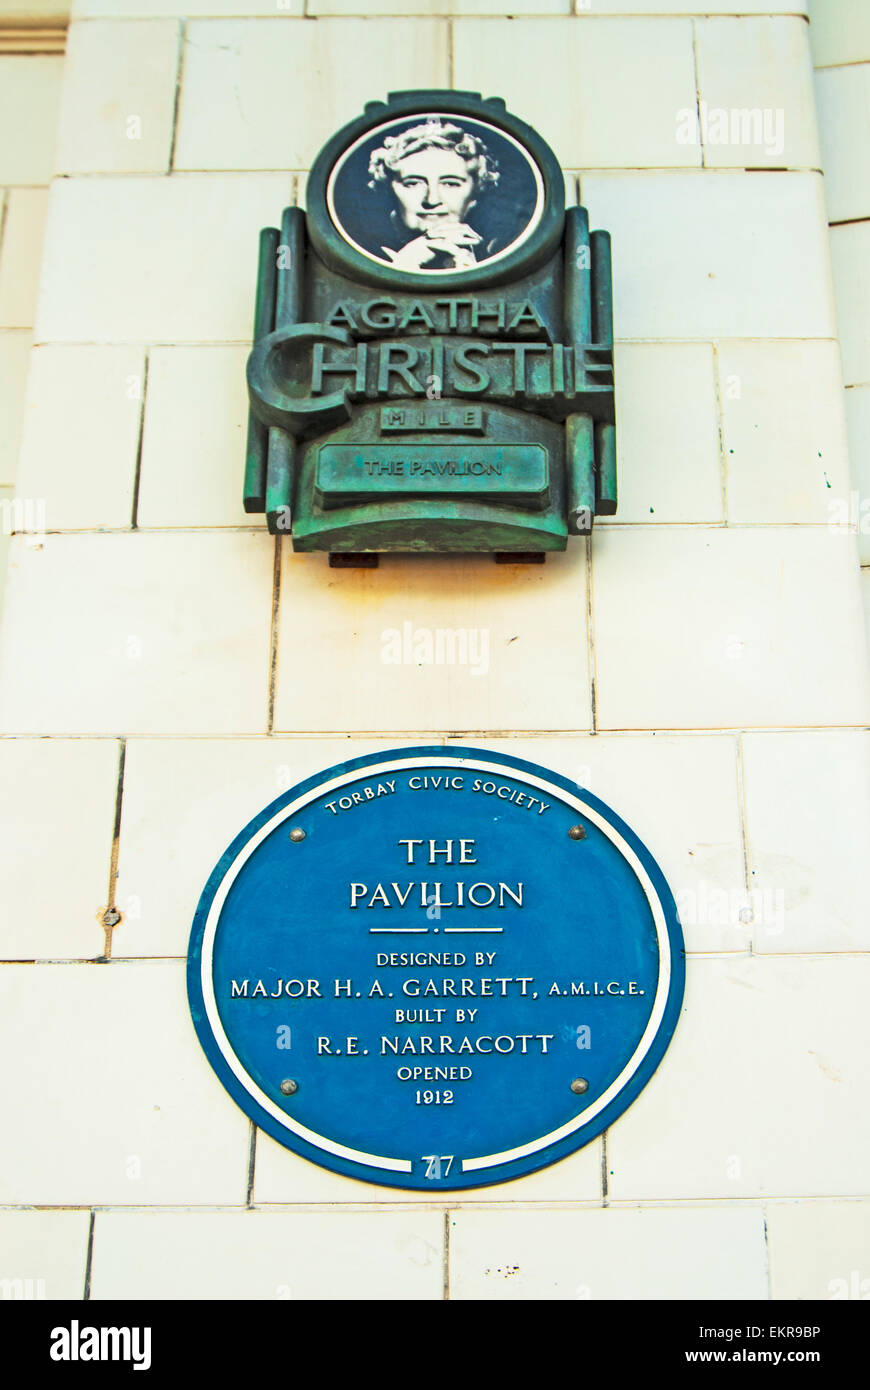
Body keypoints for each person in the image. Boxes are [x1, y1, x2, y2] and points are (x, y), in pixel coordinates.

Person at [367, 119, 501, 271]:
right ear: (388, 188)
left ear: (476, 190)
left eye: (450, 184)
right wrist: (403, 266)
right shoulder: (364, 251)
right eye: (413, 183)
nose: (432, 200)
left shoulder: (498, 253)